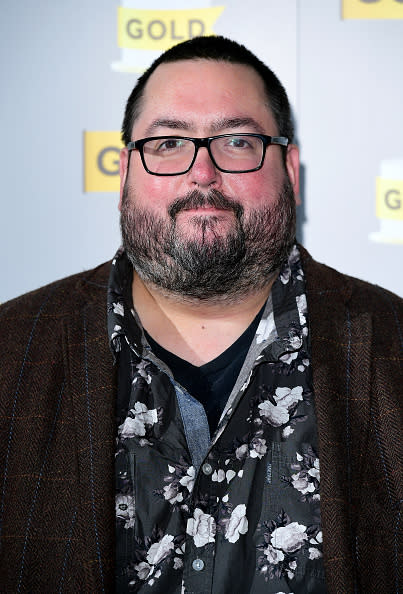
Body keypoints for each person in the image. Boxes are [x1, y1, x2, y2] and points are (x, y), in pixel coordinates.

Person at [0, 35, 401, 594]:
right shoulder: (9, 354)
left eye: (237, 141)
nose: (203, 173)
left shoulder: (394, 348)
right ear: (122, 176)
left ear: (290, 170)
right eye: (167, 143)